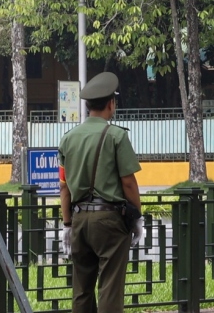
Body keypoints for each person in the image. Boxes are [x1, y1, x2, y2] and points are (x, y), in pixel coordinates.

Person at [58, 72, 144, 313]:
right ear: (111, 103)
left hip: (79, 220)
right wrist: (137, 218)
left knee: (82, 290)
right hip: (109, 221)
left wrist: (67, 224)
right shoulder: (116, 136)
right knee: (110, 287)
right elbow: (129, 183)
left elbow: (64, 186)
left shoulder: (68, 139)